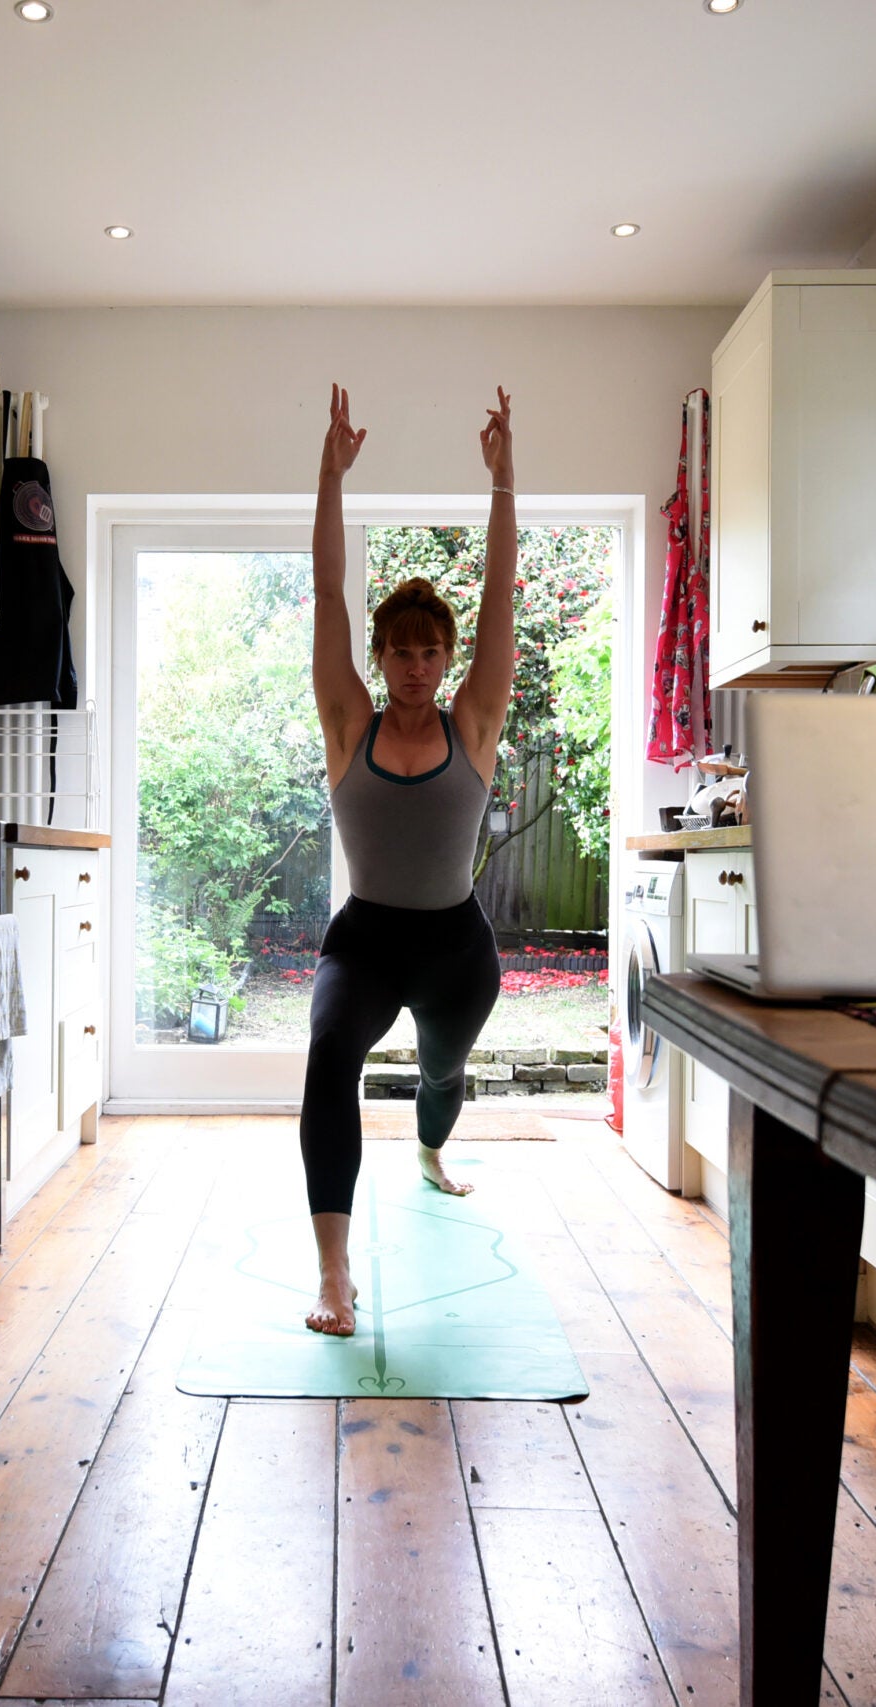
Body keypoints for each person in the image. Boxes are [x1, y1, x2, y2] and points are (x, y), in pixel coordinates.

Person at [300, 382, 519, 1338]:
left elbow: (505, 591)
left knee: (440, 1077)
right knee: (327, 1058)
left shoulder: (476, 720)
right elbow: (328, 591)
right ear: (381, 658)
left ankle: (430, 1150)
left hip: (456, 946)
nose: (418, 667)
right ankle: (336, 1276)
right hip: (366, 939)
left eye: (433, 652)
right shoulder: (348, 720)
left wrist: (506, 481)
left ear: (448, 656)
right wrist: (330, 475)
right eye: (402, 652)